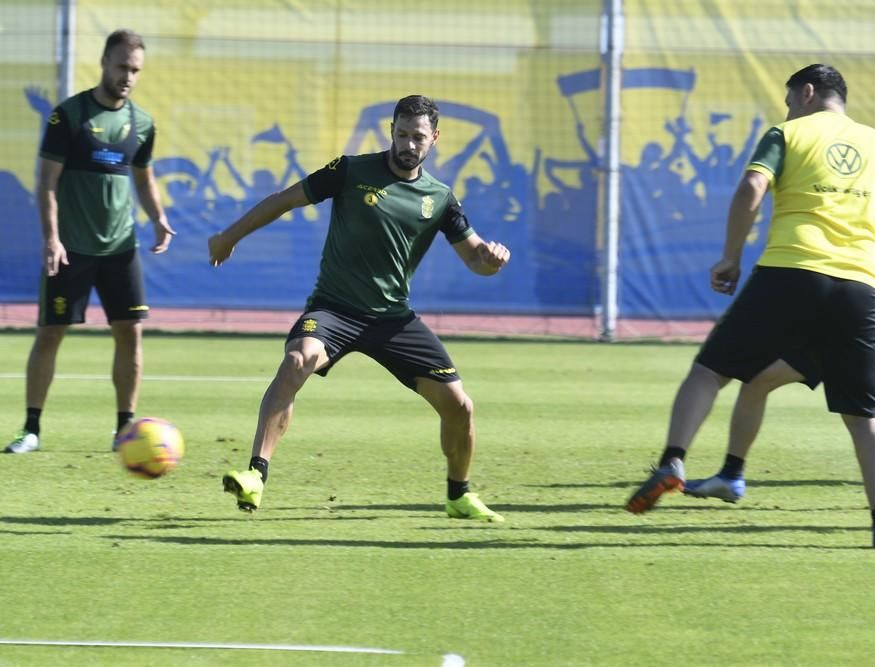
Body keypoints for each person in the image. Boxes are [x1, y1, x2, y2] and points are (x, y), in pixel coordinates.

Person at [624, 64, 875, 548]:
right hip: (858, 288)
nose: (786, 109)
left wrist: (731, 257)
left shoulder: (787, 133)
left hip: (788, 272)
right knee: (867, 417)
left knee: (708, 373)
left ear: (806, 93)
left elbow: (750, 189)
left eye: (788, 100)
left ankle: (673, 460)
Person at [208, 95, 510, 522]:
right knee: (298, 359)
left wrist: (492, 261)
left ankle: (458, 496)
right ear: (391, 131)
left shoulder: (440, 198)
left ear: (435, 139)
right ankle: (256, 474)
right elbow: (283, 200)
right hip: (335, 309)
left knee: (460, 406)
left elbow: (475, 257)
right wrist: (229, 236)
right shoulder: (350, 170)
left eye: (418, 137)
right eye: (401, 134)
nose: (408, 144)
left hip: (392, 319)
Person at [684, 242, 875, 512]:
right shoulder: (810, 224)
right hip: (823, 335)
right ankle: (731, 476)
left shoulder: (870, 224)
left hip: (873, 337)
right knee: (757, 381)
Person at [5, 29, 174, 454]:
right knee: (50, 333)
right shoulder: (69, 116)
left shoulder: (142, 124)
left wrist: (158, 218)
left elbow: (144, 177)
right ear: (104, 62)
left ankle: (124, 430)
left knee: (130, 333)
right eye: (122, 67)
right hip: (72, 249)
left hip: (120, 249)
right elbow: (46, 181)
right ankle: (31, 429)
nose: (128, 77)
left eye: (135, 70)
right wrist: (51, 239)